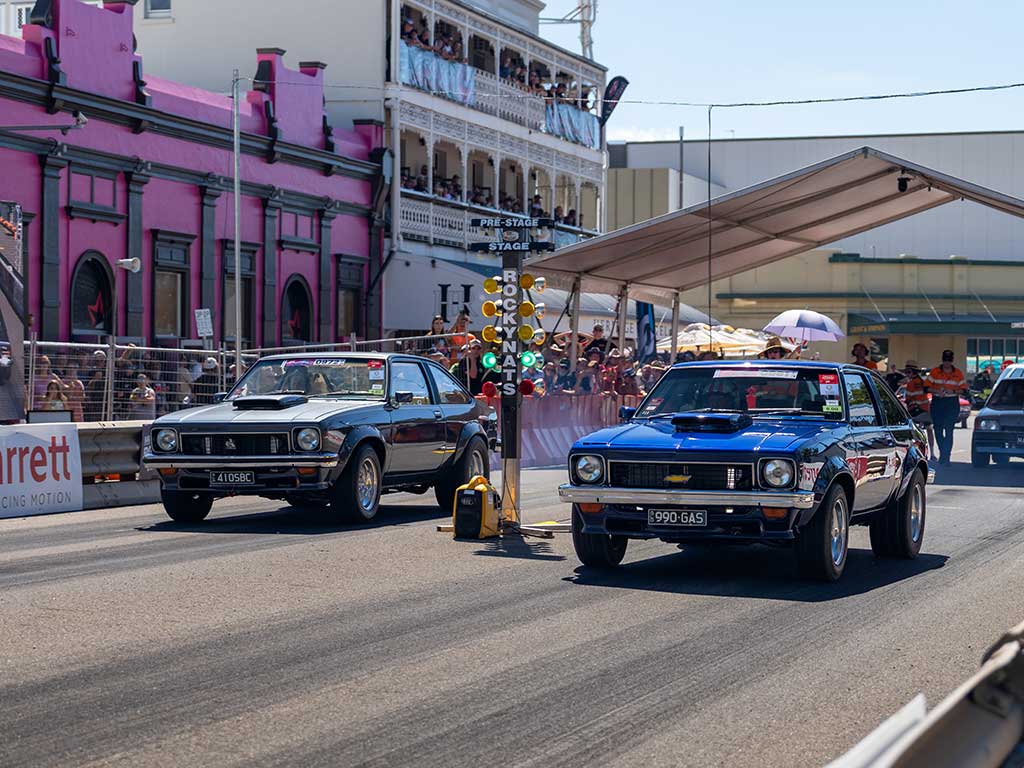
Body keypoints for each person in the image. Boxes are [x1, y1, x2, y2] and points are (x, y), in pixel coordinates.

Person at [926, 349, 967, 464]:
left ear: (952, 361)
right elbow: (926, 388)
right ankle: (943, 452)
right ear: (942, 360)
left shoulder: (958, 373)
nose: (947, 363)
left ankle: (946, 456)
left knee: (949, 430)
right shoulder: (935, 372)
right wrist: (936, 391)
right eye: (945, 361)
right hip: (938, 402)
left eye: (949, 361)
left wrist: (952, 390)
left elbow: (964, 390)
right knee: (938, 430)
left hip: (952, 403)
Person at [902, 360, 935, 459]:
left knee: (912, 431)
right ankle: (932, 453)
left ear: (913, 372)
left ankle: (917, 453)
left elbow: (908, 399)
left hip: (916, 412)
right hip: (926, 410)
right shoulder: (922, 381)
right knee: (929, 430)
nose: (906, 374)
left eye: (908, 372)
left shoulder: (911, 383)